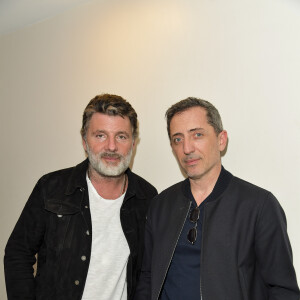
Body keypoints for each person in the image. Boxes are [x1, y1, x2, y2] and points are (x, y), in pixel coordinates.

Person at [134, 97, 299, 300]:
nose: (187, 148)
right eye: (178, 139)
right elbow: (147, 278)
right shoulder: (160, 205)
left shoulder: (259, 206)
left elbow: (283, 290)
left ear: (221, 140)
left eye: (197, 135)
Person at [4, 94, 157, 300]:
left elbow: (148, 273)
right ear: (85, 141)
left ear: (133, 143)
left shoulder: (147, 198)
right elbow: (17, 254)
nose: (111, 147)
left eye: (121, 136)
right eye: (100, 135)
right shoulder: (51, 188)